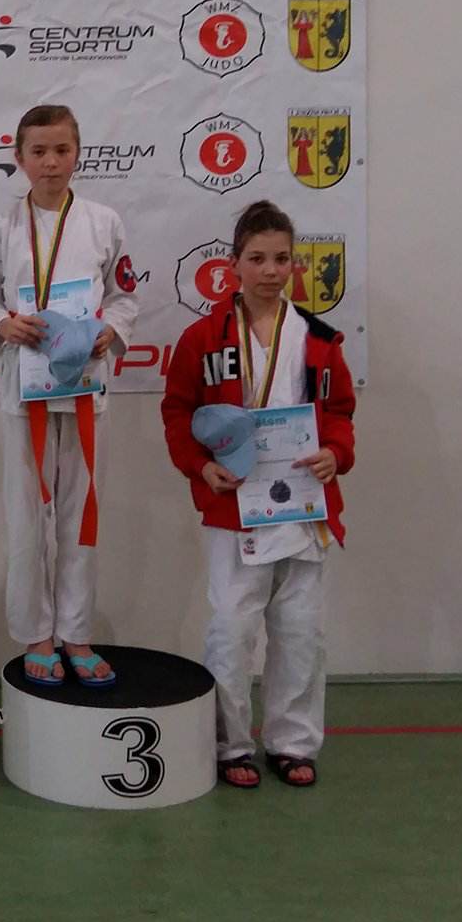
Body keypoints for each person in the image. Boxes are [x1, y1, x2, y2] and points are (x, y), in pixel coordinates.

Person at [160, 200, 356, 788]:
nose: (271, 270)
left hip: (303, 503)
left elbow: (340, 412)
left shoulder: (319, 339)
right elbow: (177, 412)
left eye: (281, 258)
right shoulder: (203, 338)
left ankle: (293, 743)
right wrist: (200, 467)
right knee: (232, 629)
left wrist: (335, 452)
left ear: (295, 264)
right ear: (234, 264)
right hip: (236, 504)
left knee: (301, 631)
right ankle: (229, 745)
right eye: (258, 258)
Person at [0, 104, 139, 686]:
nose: (50, 162)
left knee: (81, 515)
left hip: (86, 388)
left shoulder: (103, 222)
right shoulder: (1, 228)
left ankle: (77, 634)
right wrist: (3, 324)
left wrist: (112, 330)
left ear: (77, 154)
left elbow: (124, 296)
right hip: (25, 390)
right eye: (38, 151)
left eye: (61, 150)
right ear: (18, 158)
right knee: (26, 518)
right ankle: (36, 634)